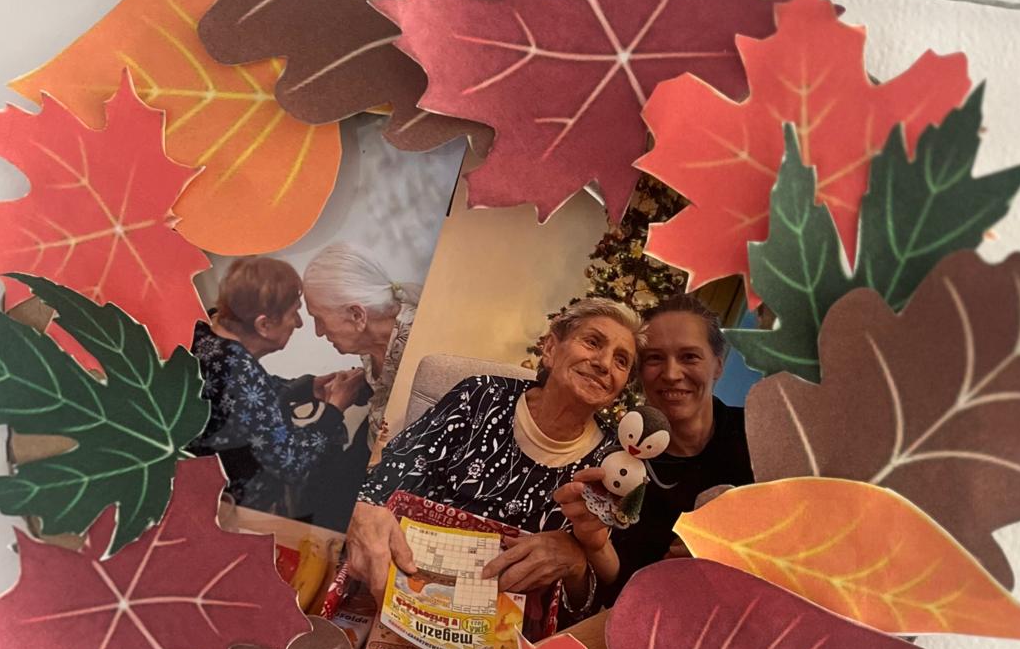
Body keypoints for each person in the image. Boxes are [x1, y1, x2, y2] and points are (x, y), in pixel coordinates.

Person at [342, 298, 643, 608]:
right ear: (551, 349)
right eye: (592, 342)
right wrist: (362, 510)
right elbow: (385, 483)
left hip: (510, 619)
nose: (604, 363)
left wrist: (577, 563)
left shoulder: (613, 462)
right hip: (411, 579)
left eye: (621, 361)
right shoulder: (481, 397)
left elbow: (592, 599)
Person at [555, 293, 753, 595]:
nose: (671, 374)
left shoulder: (760, 435)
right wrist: (596, 546)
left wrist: (736, 551)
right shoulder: (618, 464)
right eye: (655, 358)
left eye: (689, 356)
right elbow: (617, 586)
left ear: (717, 365)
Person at [192, 256, 364, 515]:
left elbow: (241, 402)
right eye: (294, 312)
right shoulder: (240, 374)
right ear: (264, 324)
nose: (299, 322)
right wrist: (334, 410)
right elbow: (292, 464)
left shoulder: (206, 329)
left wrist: (306, 388)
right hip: (228, 509)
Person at [301, 243, 422, 452]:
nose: (318, 331)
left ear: (357, 315)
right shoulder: (368, 347)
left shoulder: (418, 348)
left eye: (319, 319)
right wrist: (358, 387)